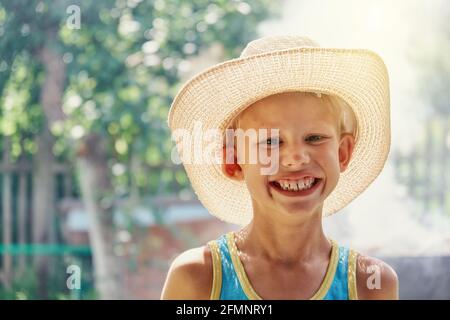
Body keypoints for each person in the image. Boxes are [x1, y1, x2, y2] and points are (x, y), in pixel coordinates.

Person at [161, 35, 399, 300]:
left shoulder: (370, 284)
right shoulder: (199, 279)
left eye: (315, 138)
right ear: (233, 160)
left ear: (343, 153)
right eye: (271, 141)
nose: (295, 158)